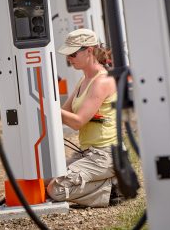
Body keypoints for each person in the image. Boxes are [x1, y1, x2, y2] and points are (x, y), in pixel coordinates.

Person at [47, 28, 119, 208]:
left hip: (105, 155)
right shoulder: (84, 80)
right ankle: (108, 182)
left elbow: (78, 122)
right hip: (88, 152)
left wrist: (46, 105)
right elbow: (64, 113)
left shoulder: (101, 81)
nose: (69, 59)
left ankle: (111, 190)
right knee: (44, 179)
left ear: (89, 51)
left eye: (72, 54)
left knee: (55, 189)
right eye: (67, 55)